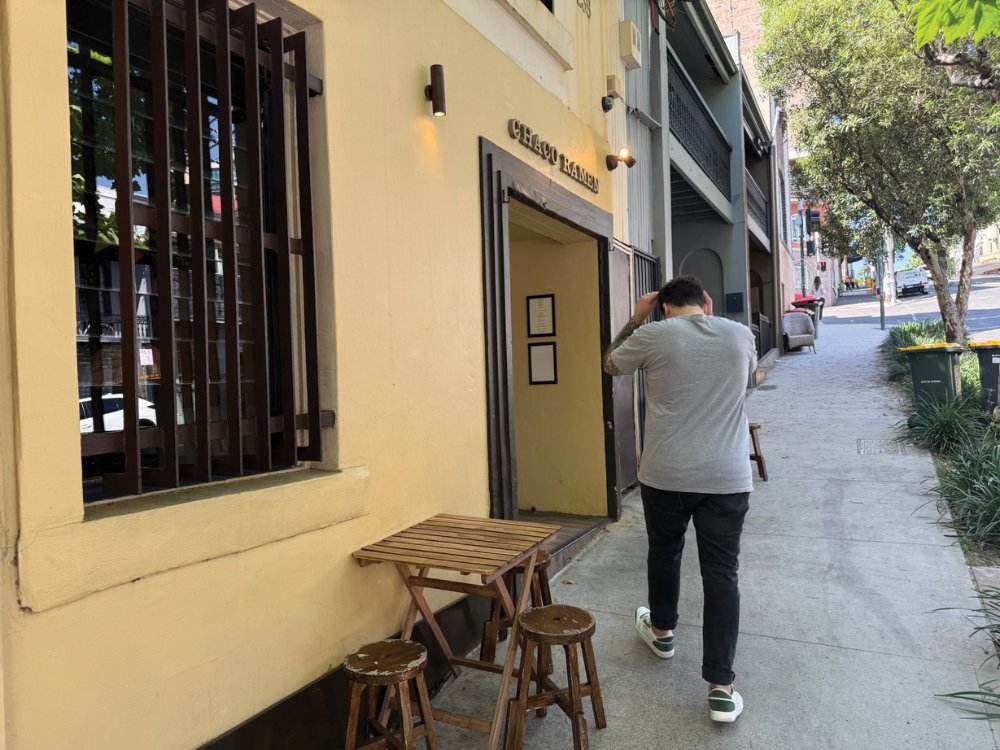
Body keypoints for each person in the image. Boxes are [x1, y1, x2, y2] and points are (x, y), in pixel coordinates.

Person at [603, 275, 757, 724]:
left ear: (663, 306)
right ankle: (721, 689)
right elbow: (747, 380)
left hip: (666, 474)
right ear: (705, 302)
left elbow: (610, 363)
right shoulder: (740, 335)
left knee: (665, 552)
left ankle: (664, 632)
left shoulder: (653, 334)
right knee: (722, 574)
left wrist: (635, 316)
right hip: (727, 476)